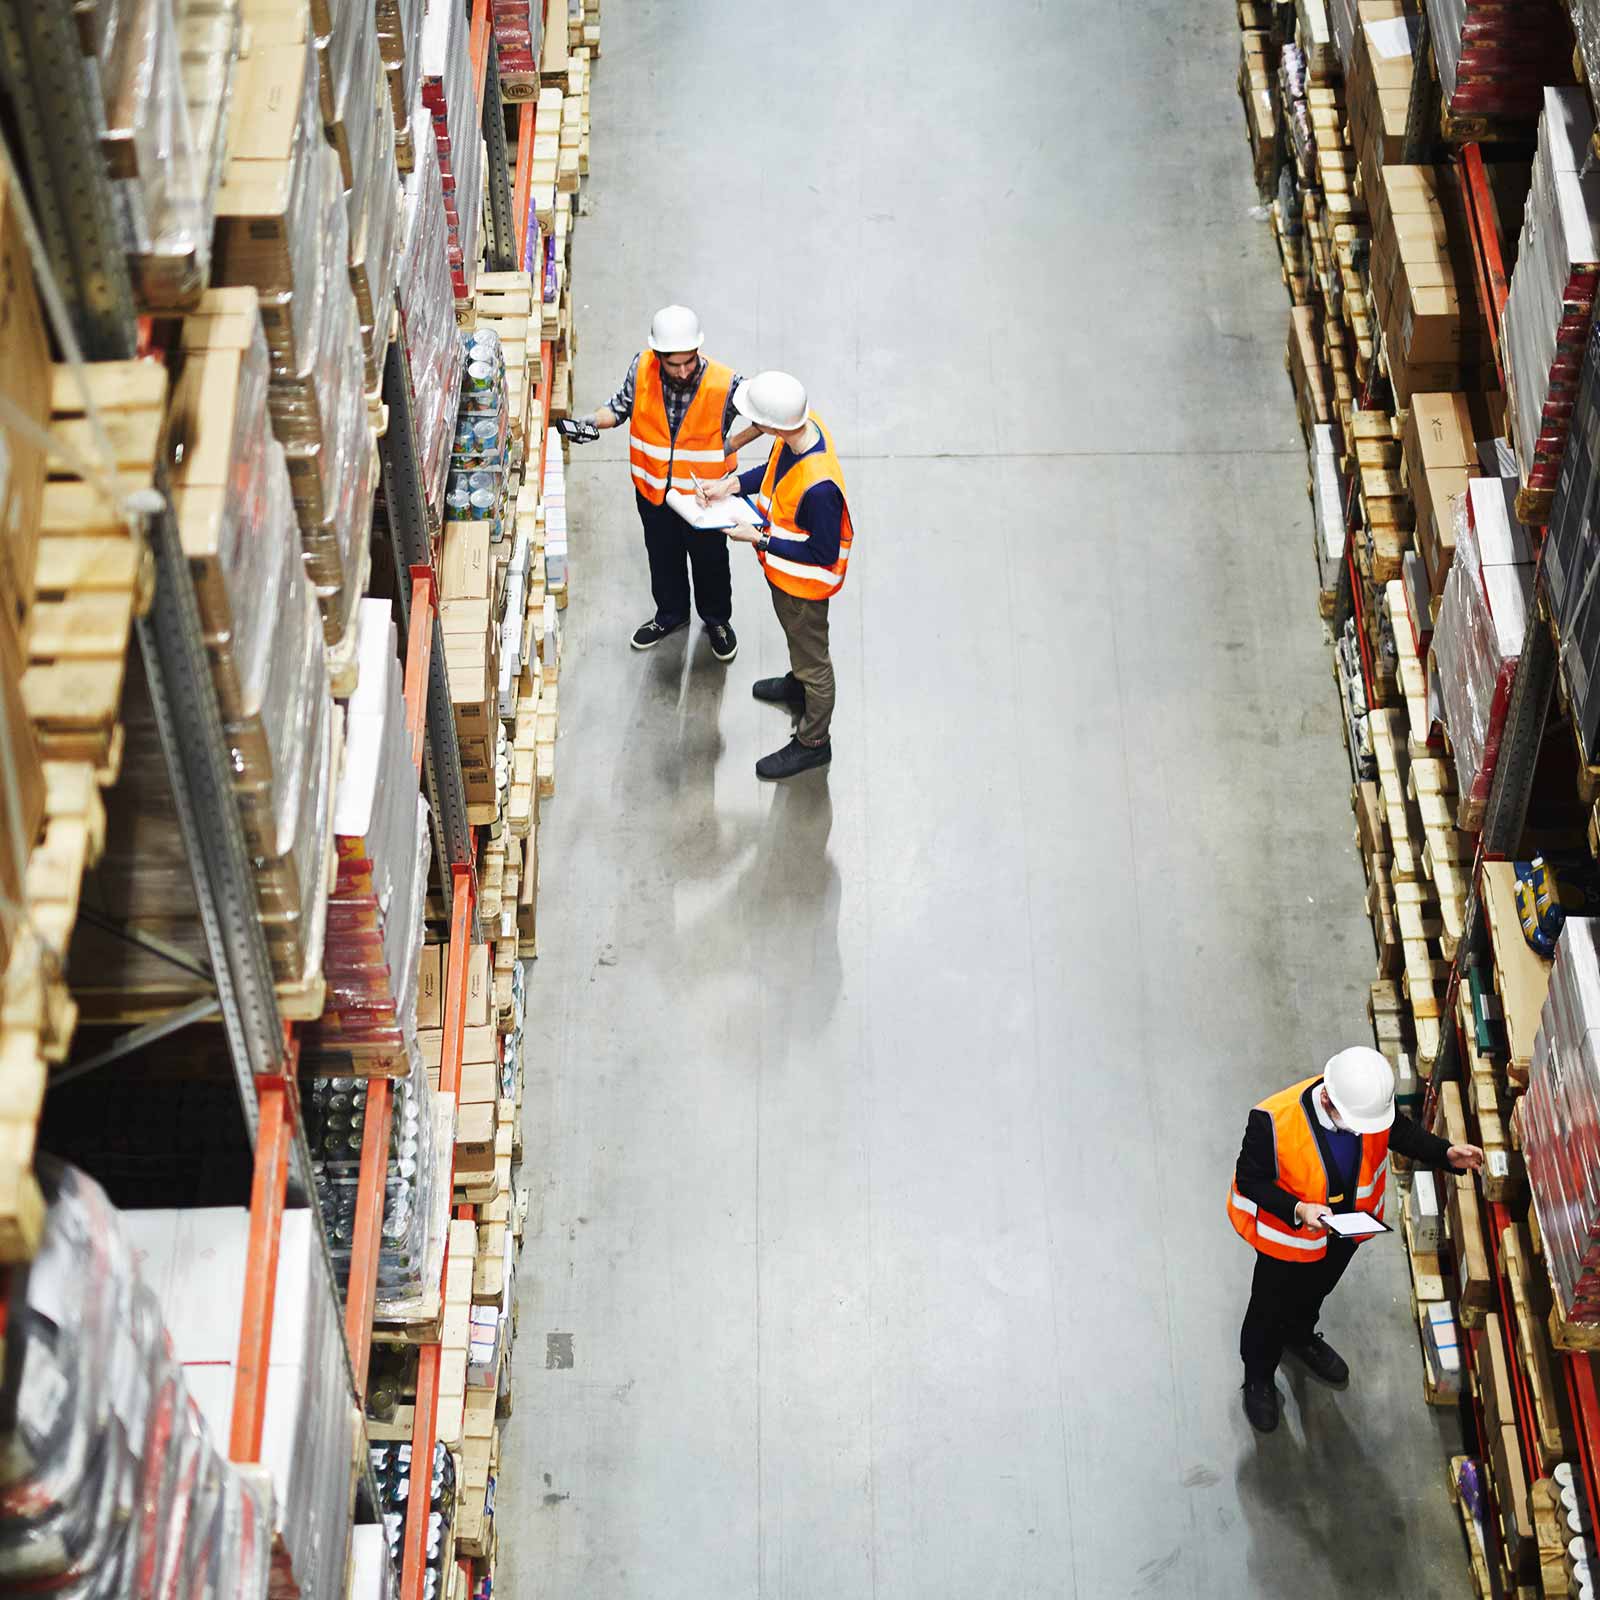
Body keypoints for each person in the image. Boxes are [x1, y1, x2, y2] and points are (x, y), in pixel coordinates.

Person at [1227, 1046, 1484, 1434]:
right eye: (1355, 1125)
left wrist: (1446, 1153)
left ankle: (1300, 1338)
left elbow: (1399, 1131)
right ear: (1327, 1097)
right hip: (1289, 1242)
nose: (1364, 1132)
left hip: (1343, 1234)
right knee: (1267, 1311)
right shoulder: (1272, 1121)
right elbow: (1250, 1180)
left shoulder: (1365, 1106)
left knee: (1315, 1294)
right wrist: (1298, 1209)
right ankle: (1259, 1377)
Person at [558, 305, 759, 659]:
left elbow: (767, 413)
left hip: (703, 499)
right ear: (658, 354)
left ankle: (716, 620)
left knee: (710, 561)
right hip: (653, 491)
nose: (682, 371)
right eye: (673, 363)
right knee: (663, 558)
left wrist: (732, 443)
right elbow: (619, 408)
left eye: (689, 361)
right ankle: (671, 614)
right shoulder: (642, 368)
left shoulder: (725, 383)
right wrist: (592, 421)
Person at [695, 371, 854, 781]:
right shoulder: (803, 428)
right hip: (785, 581)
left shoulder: (820, 489)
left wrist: (760, 538)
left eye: (757, 421)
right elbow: (772, 473)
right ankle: (798, 686)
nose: (753, 427)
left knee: (814, 661)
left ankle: (814, 742)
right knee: (800, 646)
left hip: (804, 588)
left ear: (775, 424)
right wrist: (730, 486)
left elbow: (821, 554)